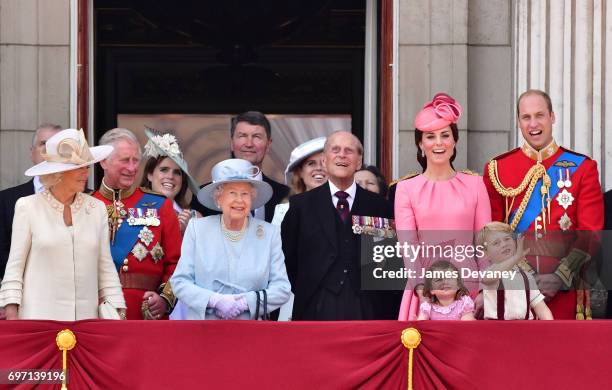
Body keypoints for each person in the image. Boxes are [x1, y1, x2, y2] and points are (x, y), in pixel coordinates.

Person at [483, 89, 604, 319]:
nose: (533, 123)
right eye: (526, 117)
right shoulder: (497, 170)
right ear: (518, 121)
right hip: (514, 288)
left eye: (540, 115)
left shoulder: (582, 168)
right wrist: (524, 276)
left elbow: (591, 233)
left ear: (552, 117)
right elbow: (492, 232)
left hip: (565, 291)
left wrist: (560, 277)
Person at [0, 129, 126, 320]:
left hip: (85, 323)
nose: (86, 173)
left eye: (87, 166)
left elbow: (105, 266)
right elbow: (14, 268)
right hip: (38, 321)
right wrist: (11, 314)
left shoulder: (97, 208)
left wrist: (118, 309)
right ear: (57, 173)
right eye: (79, 167)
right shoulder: (28, 207)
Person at [395, 93, 491, 321]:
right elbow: (409, 247)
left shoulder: (475, 184)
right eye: (430, 136)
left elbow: (485, 243)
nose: (438, 143)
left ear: (454, 141)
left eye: (445, 135)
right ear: (420, 143)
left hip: (470, 287)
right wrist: (423, 290)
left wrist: (486, 288)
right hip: (425, 291)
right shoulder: (406, 189)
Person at [281, 131, 394, 320]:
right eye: (335, 150)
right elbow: (288, 261)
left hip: (367, 309)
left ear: (358, 162)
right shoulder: (300, 206)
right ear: (324, 161)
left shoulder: (379, 206)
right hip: (314, 308)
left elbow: (386, 265)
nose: (342, 155)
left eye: (349, 151)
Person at [170, 158, 291, 320]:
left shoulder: (269, 234)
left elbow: (282, 288)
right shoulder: (197, 229)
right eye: (232, 193)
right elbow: (180, 282)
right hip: (204, 331)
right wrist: (214, 300)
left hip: (251, 332)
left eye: (245, 194)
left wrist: (246, 303)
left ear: (252, 199)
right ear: (218, 198)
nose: (239, 200)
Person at [93, 128, 181, 320]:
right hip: (95, 312)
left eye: (136, 161)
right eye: (125, 160)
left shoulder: (160, 205)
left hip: (144, 314)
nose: (132, 168)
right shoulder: (86, 204)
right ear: (103, 161)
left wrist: (164, 299)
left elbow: (178, 263)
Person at [190, 111, 289, 222]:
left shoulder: (286, 195)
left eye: (257, 136)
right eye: (242, 136)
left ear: (268, 145)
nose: (249, 144)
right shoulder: (204, 196)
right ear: (232, 143)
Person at [0, 123, 61, 280]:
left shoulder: (87, 197)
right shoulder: (6, 200)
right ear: (32, 152)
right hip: (24, 293)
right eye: (43, 144)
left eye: (56, 145)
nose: (49, 150)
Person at [477, 222, 553, 320]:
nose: (504, 244)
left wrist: (551, 328)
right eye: (496, 243)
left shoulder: (527, 276)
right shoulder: (488, 273)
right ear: (486, 253)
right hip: (497, 331)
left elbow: (541, 308)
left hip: (525, 330)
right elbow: (489, 279)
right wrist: (516, 257)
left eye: (507, 239)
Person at [140, 128, 201, 234]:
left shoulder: (195, 218)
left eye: (177, 172)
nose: (171, 176)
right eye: (164, 170)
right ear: (150, 175)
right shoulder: (133, 210)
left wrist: (187, 233)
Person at [271, 136, 327, 225]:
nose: (319, 168)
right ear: (299, 172)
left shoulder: (346, 206)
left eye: (325, 162)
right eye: (311, 163)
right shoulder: (284, 211)